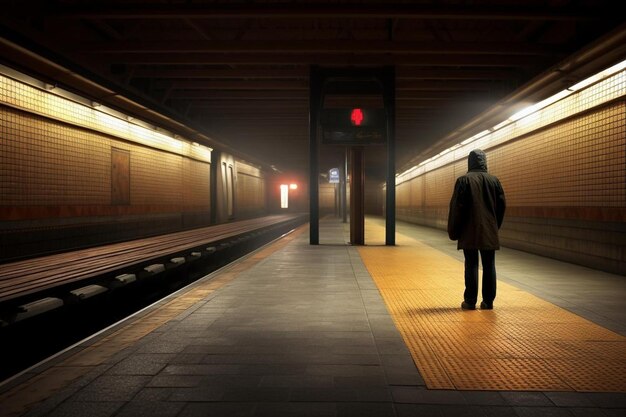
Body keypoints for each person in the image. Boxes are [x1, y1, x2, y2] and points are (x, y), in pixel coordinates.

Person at [447, 149, 506, 310]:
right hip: (489, 230)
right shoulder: (494, 181)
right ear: (484, 161)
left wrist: (454, 230)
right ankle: (488, 302)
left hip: (468, 231)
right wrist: (494, 226)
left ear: (470, 162)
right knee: (489, 265)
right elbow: (501, 207)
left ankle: (470, 301)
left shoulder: (463, 181)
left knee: (471, 264)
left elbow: (456, 208)